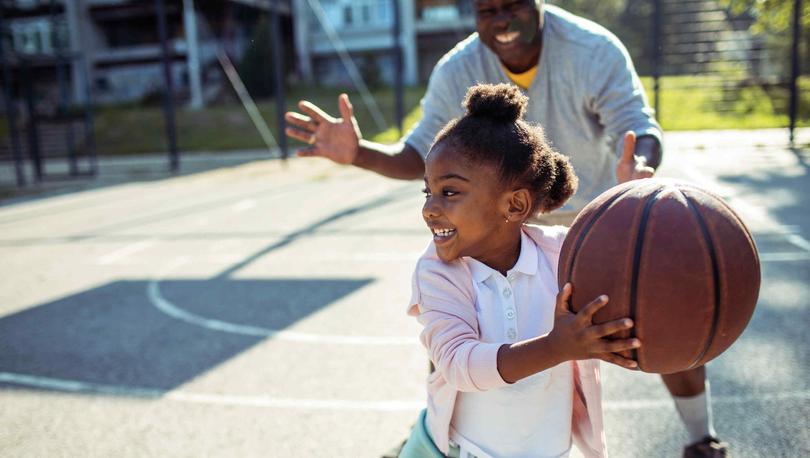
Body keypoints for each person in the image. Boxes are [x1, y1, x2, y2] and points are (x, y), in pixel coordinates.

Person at [285, 2, 727, 456]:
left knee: (657, 308)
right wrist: (359, 153)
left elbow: (637, 126)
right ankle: (441, 434)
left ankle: (701, 436)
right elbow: (419, 153)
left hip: (587, 223)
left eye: (511, 5)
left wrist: (639, 167)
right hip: (484, 225)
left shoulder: (592, 49)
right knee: (454, 337)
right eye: (486, 9)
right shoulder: (458, 68)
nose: (500, 20)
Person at [401, 83, 639, 458]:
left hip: (552, 450)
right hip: (470, 451)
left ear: (514, 205)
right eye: (427, 191)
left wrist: (634, 204)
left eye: (449, 192)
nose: (429, 208)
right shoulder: (437, 272)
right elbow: (459, 364)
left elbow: (628, 269)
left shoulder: (562, 254)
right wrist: (556, 347)